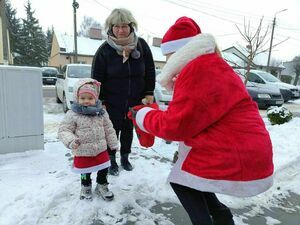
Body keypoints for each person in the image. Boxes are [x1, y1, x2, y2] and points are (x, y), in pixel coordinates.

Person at [129, 17, 274, 225]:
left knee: (181, 181)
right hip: (246, 146)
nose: (168, 60)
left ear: (180, 52)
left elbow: (174, 126)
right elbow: (197, 114)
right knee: (190, 180)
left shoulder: (197, 69)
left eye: (168, 54)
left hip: (235, 150)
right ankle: (223, 218)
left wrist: (142, 115)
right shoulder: (213, 65)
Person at [91, 8, 156, 176]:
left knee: (128, 130)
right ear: (111, 28)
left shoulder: (141, 45)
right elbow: (96, 79)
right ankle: (111, 159)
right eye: (116, 26)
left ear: (131, 26)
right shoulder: (104, 50)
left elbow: (150, 70)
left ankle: (125, 157)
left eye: (124, 26)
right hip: (111, 102)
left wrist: (149, 92)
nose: (120, 30)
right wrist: (100, 100)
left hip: (136, 101)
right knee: (111, 131)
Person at [58, 78, 119, 201]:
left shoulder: (101, 113)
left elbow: (109, 129)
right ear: (77, 98)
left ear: (96, 99)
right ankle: (85, 187)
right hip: (82, 150)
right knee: (85, 172)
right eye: (83, 98)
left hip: (101, 149)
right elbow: (64, 130)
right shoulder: (73, 114)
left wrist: (113, 143)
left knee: (103, 169)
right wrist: (71, 140)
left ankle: (102, 185)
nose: (86, 101)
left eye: (90, 98)